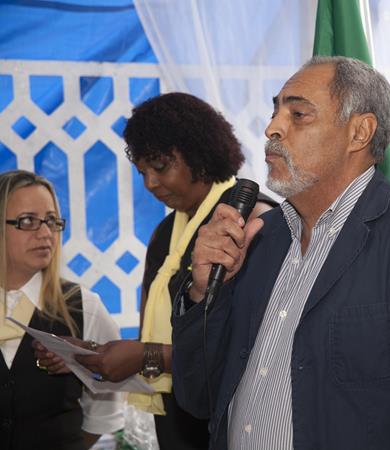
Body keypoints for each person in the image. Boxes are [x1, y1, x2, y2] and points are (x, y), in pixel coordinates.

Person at [172, 56, 390, 449]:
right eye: (275, 112)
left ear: (360, 132)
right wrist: (204, 293)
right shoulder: (257, 241)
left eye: (298, 114)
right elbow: (199, 396)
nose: (272, 128)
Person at [34, 92, 275, 449]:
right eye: (142, 172)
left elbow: (257, 347)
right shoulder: (164, 235)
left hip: (234, 421)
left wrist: (146, 357)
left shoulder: (252, 220)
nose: (149, 183)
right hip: (177, 418)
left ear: (199, 153)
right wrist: (91, 353)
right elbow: (159, 341)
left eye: (160, 167)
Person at [0, 170, 123, 450]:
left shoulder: (85, 307)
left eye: (52, 221)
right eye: (28, 221)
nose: (45, 234)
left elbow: (103, 412)